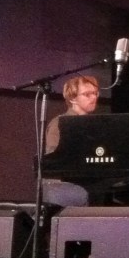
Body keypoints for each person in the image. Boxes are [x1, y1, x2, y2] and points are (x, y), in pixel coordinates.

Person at [43, 75, 100, 206]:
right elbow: (53, 159)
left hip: (84, 177)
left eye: (95, 93)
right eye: (87, 94)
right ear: (72, 98)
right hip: (62, 183)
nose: (93, 97)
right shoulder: (60, 124)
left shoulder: (94, 124)